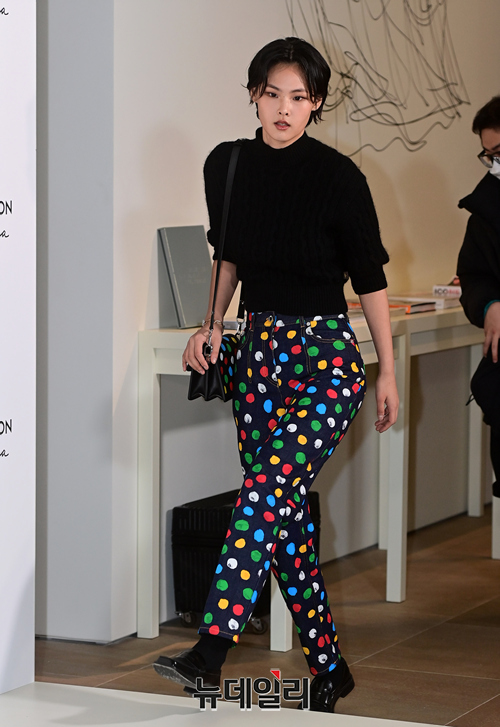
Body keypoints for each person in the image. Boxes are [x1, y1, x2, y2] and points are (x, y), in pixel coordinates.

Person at [154, 37, 399, 713]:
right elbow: (227, 259)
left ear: (316, 103)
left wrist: (385, 371)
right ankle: (330, 668)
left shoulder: (339, 178)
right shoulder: (228, 165)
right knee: (282, 520)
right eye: (272, 94)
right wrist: (209, 325)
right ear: (254, 95)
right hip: (258, 359)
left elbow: (371, 279)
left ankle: (209, 652)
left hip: (327, 363)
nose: (284, 108)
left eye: (299, 97)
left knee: (263, 494)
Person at [457, 95, 500, 499]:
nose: (494, 164)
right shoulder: (486, 210)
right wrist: (489, 306)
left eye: (499, 152)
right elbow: (473, 277)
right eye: (489, 156)